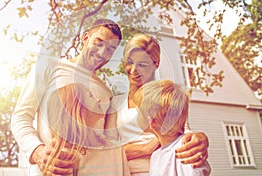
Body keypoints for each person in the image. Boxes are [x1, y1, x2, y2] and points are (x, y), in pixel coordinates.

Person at [11, 18, 130, 175]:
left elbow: (111, 146)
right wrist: (37, 151)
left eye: (110, 49)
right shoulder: (49, 66)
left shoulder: (106, 92)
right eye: (98, 42)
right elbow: (21, 116)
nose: (102, 53)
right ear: (86, 38)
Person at [114, 33, 209, 175]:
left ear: (156, 64)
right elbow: (106, 151)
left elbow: (182, 132)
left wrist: (200, 139)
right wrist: (145, 148)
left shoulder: (166, 97)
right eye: (129, 62)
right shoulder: (115, 104)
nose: (134, 70)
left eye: (142, 64)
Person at [134, 79, 211, 175]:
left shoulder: (186, 150)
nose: (135, 115)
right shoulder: (155, 156)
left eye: (138, 111)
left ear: (151, 120)